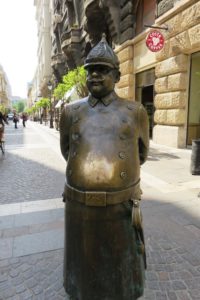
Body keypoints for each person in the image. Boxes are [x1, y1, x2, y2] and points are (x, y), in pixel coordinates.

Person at [60, 34, 149, 300]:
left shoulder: (135, 112)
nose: (94, 76)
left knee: (121, 272)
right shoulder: (71, 112)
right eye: (90, 71)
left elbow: (140, 154)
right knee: (82, 267)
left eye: (102, 70)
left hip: (121, 208)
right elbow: (68, 151)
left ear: (117, 75)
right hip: (79, 207)